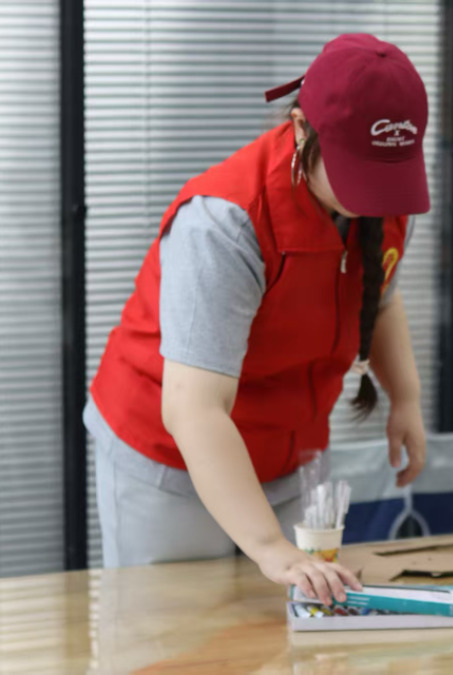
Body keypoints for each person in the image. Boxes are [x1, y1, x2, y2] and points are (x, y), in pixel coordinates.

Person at [84, 33, 429, 606]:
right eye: (358, 173)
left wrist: (407, 398)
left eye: (385, 176)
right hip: (173, 454)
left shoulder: (392, 199)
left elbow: (382, 297)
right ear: (301, 129)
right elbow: (194, 409)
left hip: (289, 449)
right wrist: (270, 546)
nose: (375, 197)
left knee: (288, 624)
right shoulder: (225, 222)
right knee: (173, 632)